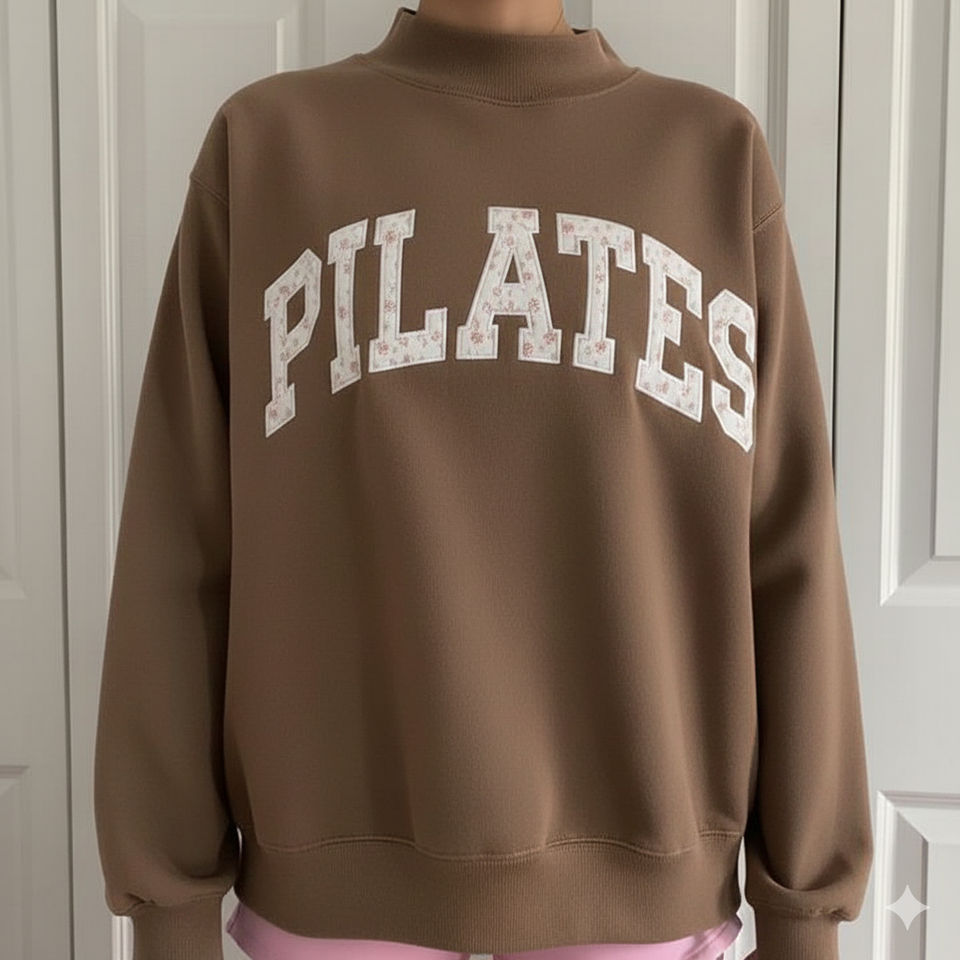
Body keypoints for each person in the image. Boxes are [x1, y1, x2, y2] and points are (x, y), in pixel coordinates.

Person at [92, 3, 874, 960]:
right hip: (334, 907)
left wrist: (804, 916)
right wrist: (168, 913)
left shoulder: (710, 156)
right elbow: (179, 544)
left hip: (639, 909)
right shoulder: (270, 149)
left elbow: (788, 546)